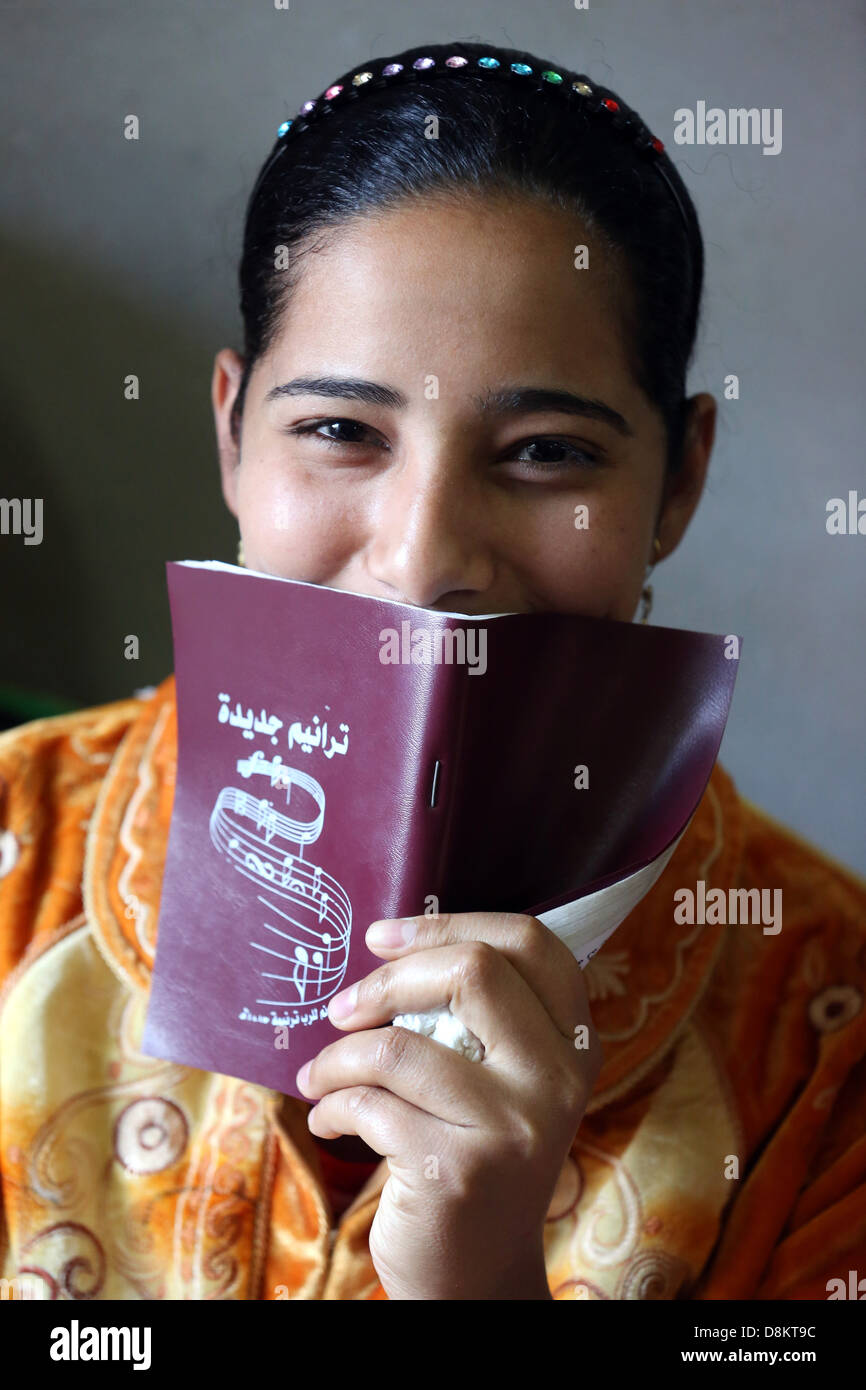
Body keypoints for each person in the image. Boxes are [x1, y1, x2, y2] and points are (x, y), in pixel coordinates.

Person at [1, 39, 864, 1302]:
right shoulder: (18, 853)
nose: (420, 563)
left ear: (676, 481)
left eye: (545, 452)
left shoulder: (823, 1027)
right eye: (340, 431)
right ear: (233, 435)